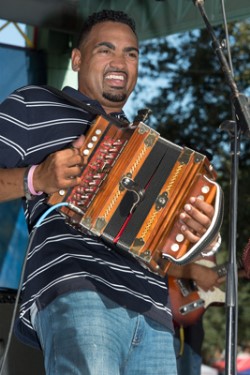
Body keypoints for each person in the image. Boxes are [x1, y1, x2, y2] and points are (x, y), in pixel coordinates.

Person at [0, 9, 221, 375]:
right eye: (106, 50)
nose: (121, 61)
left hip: (153, 309)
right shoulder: (34, 104)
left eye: (131, 53)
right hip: (77, 288)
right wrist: (36, 178)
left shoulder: (151, 148)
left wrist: (190, 232)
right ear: (77, 58)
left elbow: (162, 249)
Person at [168, 259, 226, 375]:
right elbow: (158, 260)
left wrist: (239, 271)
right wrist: (198, 273)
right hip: (166, 312)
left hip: (191, 324)